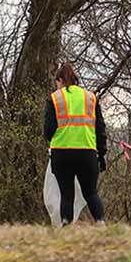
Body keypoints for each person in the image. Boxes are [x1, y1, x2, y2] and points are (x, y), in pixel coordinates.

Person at [44, 62, 107, 225]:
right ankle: (101, 223)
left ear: (59, 80)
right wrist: (102, 154)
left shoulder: (55, 98)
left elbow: (48, 130)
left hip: (62, 153)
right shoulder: (90, 98)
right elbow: (100, 128)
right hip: (87, 152)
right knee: (90, 192)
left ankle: (66, 225)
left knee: (66, 194)